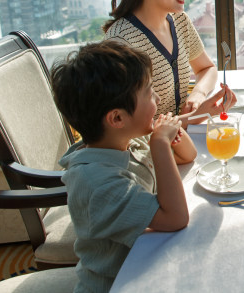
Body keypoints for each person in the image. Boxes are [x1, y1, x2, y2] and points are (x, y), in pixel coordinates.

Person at [52, 41, 194, 293]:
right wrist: (160, 143)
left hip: (147, 261)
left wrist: (168, 134)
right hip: (119, 283)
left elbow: (187, 157)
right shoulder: (97, 182)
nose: (158, 97)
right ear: (117, 118)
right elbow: (176, 218)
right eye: (149, 92)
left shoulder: (124, 140)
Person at [103, 0, 235, 125]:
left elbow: (207, 68)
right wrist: (192, 118)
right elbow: (126, 132)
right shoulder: (120, 44)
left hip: (182, 144)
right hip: (150, 153)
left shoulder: (179, 21)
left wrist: (198, 93)